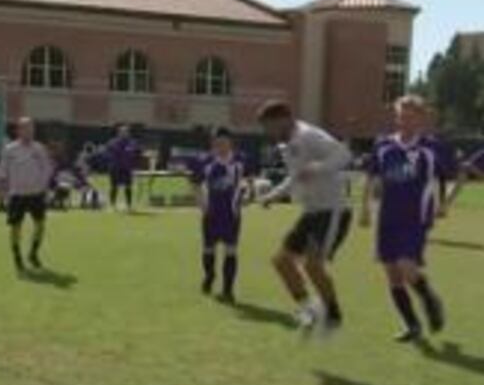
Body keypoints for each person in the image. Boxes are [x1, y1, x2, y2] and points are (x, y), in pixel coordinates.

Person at [257, 100, 354, 335]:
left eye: (269, 126)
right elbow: (295, 177)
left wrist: (318, 168)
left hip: (333, 210)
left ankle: (333, 315)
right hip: (311, 212)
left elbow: (344, 155)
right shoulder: (287, 145)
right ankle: (309, 309)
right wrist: (272, 195)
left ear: (283, 120)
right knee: (281, 261)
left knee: (312, 265)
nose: (267, 133)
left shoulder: (309, 135)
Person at [360, 96, 446, 342]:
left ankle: (430, 300)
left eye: (410, 116)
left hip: (416, 218)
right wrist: (365, 208)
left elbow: (448, 175)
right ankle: (412, 326)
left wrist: (444, 203)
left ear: (420, 118)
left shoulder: (431, 147)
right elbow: (372, 177)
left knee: (407, 266)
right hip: (387, 218)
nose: (404, 121)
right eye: (400, 116)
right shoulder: (384, 145)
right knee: (392, 274)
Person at [189, 128, 249, 303]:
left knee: (231, 250)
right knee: (209, 248)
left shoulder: (240, 161)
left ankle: (228, 289)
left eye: (224, 143)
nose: (221, 146)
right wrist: (203, 205)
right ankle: (209, 277)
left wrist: (245, 195)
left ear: (231, 143)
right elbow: (194, 184)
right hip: (212, 213)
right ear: (213, 143)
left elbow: (249, 181)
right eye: (218, 143)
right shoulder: (205, 162)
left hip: (232, 214)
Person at [0, 117, 54, 271]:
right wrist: (2, 191)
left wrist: (44, 187)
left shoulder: (39, 149)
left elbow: (47, 169)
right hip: (17, 194)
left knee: (40, 225)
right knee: (15, 227)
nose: (29, 131)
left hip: (36, 194)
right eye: (25, 128)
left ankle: (33, 253)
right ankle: (17, 257)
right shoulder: (10, 150)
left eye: (31, 128)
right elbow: (2, 171)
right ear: (18, 130)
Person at [104, 125, 141, 212]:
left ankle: (128, 206)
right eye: (122, 132)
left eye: (126, 132)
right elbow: (107, 153)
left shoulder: (132, 142)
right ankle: (112, 206)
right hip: (115, 168)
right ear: (118, 132)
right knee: (114, 187)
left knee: (128, 187)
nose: (124, 133)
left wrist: (134, 161)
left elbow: (137, 153)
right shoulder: (112, 142)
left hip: (127, 168)